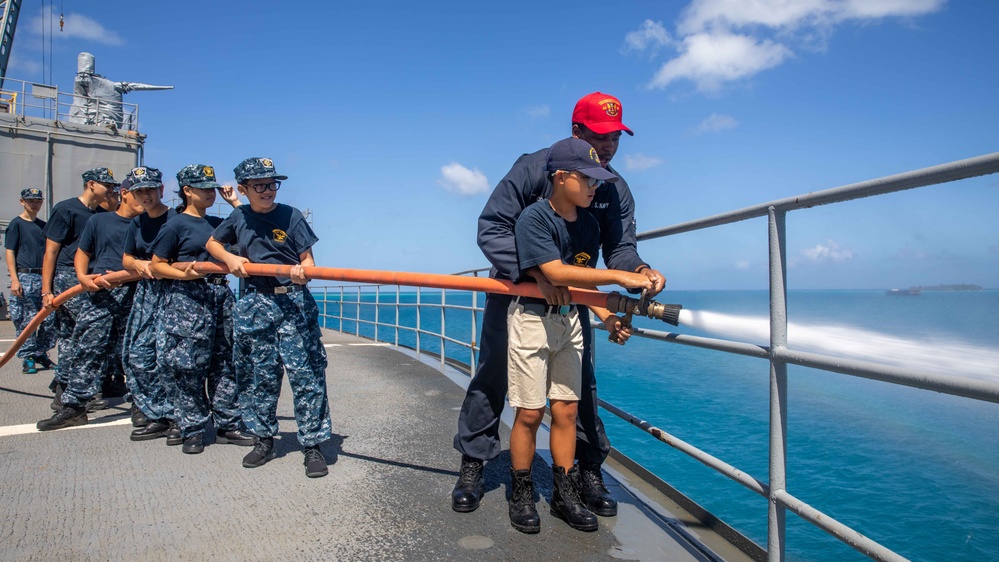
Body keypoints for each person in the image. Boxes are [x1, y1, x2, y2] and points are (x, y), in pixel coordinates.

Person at [452, 92, 667, 515]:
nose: (608, 147)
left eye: (615, 139)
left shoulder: (613, 186)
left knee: (578, 384)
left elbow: (619, 249)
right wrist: (537, 272)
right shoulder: (534, 168)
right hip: (517, 288)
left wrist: (639, 269)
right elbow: (491, 228)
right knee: (495, 371)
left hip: (573, 297)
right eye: (599, 136)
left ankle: (585, 470)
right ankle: (474, 460)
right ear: (576, 132)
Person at [506, 138, 652, 533]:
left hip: (570, 321)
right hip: (533, 321)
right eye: (587, 179)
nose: (595, 187)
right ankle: (520, 491)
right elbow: (555, 272)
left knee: (567, 410)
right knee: (530, 412)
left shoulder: (588, 225)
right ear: (561, 177)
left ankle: (563, 491)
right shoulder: (533, 218)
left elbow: (580, 288)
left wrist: (606, 316)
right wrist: (618, 277)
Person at [207, 157, 332, 478]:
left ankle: (313, 444)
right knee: (257, 375)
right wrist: (229, 257)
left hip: (292, 301)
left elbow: (308, 258)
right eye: (260, 186)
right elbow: (212, 243)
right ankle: (263, 439)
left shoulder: (290, 216)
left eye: (272, 184)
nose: (268, 191)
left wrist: (305, 273)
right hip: (253, 303)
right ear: (243, 189)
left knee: (306, 374)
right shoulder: (239, 216)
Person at [148, 164, 253, 454]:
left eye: (211, 187)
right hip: (187, 299)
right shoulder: (175, 225)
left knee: (225, 362)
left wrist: (234, 201)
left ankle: (227, 424)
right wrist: (185, 275)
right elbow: (157, 265)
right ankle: (192, 428)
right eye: (203, 187)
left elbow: (249, 227)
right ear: (187, 190)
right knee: (188, 365)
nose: (210, 192)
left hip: (220, 295)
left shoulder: (219, 223)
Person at [37, 175, 143, 430]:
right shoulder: (99, 220)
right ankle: (73, 407)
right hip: (101, 294)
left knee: (137, 353)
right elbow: (82, 252)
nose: (146, 199)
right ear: (125, 193)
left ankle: (142, 406)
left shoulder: (149, 224)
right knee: (86, 348)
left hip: (137, 294)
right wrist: (83, 278)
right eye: (139, 193)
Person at [41, 167, 118, 410]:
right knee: (81, 335)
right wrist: (47, 290)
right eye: (107, 185)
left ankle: (70, 389)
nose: (111, 190)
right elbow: (51, 251)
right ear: (91, 184)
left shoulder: (98, 213)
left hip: (91, 278)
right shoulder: (67, 209)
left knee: (76, 335)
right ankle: (68, 391)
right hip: (69, 277)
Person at [120, 167, 179, 439]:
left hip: (177, 292)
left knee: (172, 358)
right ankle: (157, 412)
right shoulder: (137, 222)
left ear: (161, 190)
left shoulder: (177, 219)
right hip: (147, 293)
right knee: (139, 355)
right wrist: (139, 263)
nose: (145, 195)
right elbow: (127, 258)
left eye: (150, 189)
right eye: (139, 190)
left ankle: (178, 417)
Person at [4, 188, 57, 374]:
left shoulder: (44, 226)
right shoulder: (16, 224)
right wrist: (15, 280)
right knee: (26, 320)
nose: (35, 204)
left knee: (50, 319)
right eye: (31, 201)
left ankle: (40, 352)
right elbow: (10, 252)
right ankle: (28, 357)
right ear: (22, 202)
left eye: (37, 201)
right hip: (25, 276)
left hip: (43, 277)